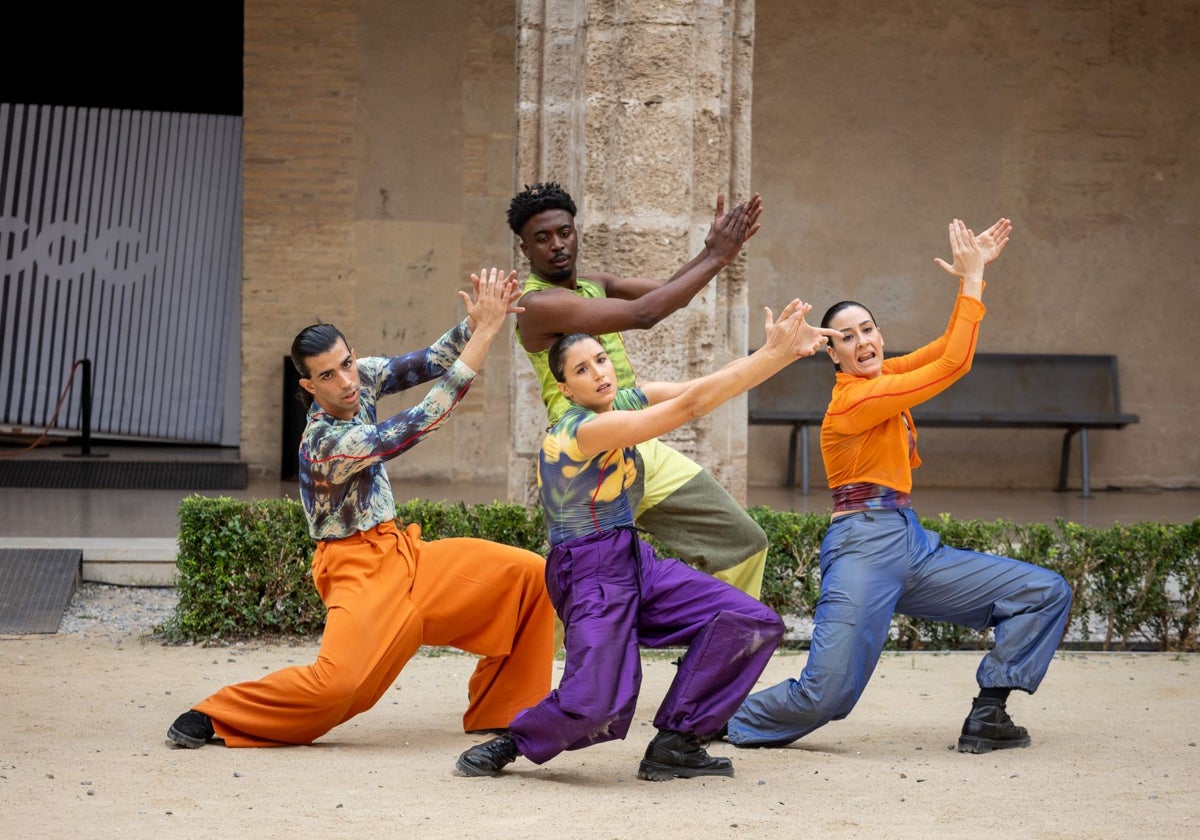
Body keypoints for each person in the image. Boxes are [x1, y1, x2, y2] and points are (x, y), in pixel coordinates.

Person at [166, 268, 555, 749]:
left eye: (347, 363)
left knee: (529, 577)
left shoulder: (360, 377)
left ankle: (505, 713)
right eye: (327, 375)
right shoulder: (324, 442)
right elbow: (418, 423)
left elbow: (429, 362)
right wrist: (489, 333)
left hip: (405, 555)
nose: (346, 381)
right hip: (356, 568)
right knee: (341, 687)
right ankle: (217, 714)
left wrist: (473, 323)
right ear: (309, 387)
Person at [455, 299, 842, 781]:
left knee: (748, 620)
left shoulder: (622, 402)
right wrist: (773, 354)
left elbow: (698, 388)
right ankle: (513, 742)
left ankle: (677, 743)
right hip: (589, 574)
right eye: (582, 368)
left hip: (635, 561)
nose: (598, 372)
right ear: (565, 388)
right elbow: (692, 406)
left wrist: (780, 352)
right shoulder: (583, 430)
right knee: (596, 705)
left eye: (600, 359)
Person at [725, 219, 1073, 754]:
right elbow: (954, 363)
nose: (862, 341)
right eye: (847, 337)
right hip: (862, 548)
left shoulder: (882, 381)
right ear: (832, 354)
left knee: (1042, 593)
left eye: (868, 329)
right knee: (827, 697)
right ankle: (705, 714)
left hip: (910, 544)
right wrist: (974, 278)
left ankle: (990, 712)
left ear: (879, 335)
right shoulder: (855, 400)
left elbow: (943, 353)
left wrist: (967, 280)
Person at [508, 182, 771, 599]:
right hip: (587, 455)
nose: (557, 245)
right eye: (542, 239)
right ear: (525, 250)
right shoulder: (536, 305)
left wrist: (712, 253)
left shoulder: (595, 283)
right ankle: (541, 657)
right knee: (590, 586)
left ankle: (722, 652)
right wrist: (717, 257)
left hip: (639, 442)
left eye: (564, 232)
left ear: (576, 232)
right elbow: (645, 314)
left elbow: (668, 295)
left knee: (743, 544)